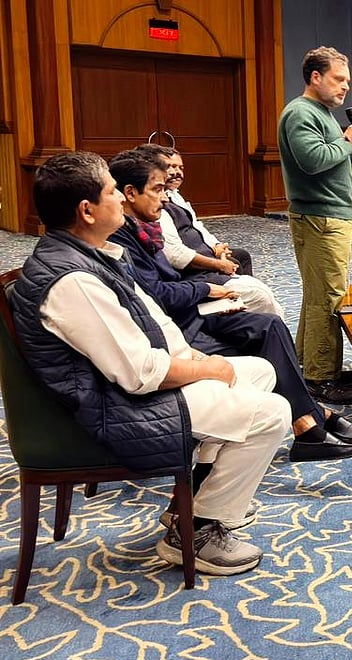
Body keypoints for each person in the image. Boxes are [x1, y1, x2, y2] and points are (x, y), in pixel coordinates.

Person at [13, 151, 291, 575]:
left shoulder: (90, 254)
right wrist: (208, 369)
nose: (121, 201)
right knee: (272, 413)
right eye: (112, 192)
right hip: (115, 407)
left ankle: (192, 504)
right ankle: (193, 531)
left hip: (124, 390)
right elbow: (142, 374)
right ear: (87, 211)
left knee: (261, 372)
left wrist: (193, 357)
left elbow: (152, 325)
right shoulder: (73, 280)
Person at [105, 149, 352, 462]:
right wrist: (205, 289)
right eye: (158, 189)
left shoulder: (143, 229)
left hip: (192, 310)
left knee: (269, 325)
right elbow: (156, 297)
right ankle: (310, 422)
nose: (164, 199)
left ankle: (309, 418)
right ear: (129, 193)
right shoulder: (123, 240)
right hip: (181, 326)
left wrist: (207, 293)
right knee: (263, 339)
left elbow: (167, 282)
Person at [277, 46, 352, 398]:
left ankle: (309, 364)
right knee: (328, 297)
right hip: (321, 218)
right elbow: (313, 161)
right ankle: (320, 378)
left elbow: (335, 163)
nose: (345, 88)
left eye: (347, 81)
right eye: (338, 79)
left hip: (331, 215)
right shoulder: (301, 113)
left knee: (318, 295)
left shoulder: (323, 112)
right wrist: (347, 141)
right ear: (316, 77)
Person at [143, 145, 283, 317]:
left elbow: (196, 226)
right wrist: (218, 264)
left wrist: (216, 246)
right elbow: (175, 255)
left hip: (205, 264)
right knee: (261, 296)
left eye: (180, 168)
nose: (175, 173)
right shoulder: (157, 208)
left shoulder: (174, 196)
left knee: (247, 269)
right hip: (194, 277)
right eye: (170, 167)